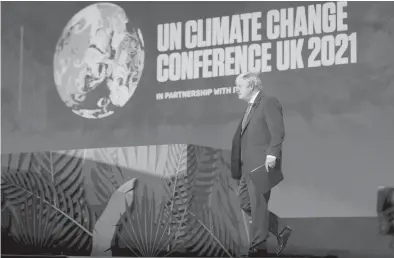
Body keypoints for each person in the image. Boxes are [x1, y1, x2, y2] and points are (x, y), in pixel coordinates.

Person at [230, 72, 292, 257]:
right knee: (245, 202)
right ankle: (281, 229)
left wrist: (272, 154)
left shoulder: (268, 102)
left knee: (258, 204)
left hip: (261, 164)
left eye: (239, 86)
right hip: (247, 166)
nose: (236, 90)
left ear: (251, 85)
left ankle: (258, 246)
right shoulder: (250, 107)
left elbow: (277, 131)